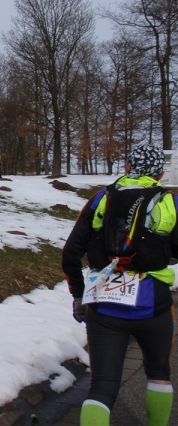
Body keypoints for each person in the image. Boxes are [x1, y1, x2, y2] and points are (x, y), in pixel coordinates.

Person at [62, 144, 177, 426]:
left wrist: (78, 296)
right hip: (154, 304)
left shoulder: (101, 198)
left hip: (104, 305)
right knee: (159, 373)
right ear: (160, 174)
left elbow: (71, 254)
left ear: (126, 167)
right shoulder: (171, 202)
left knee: (101, 388)